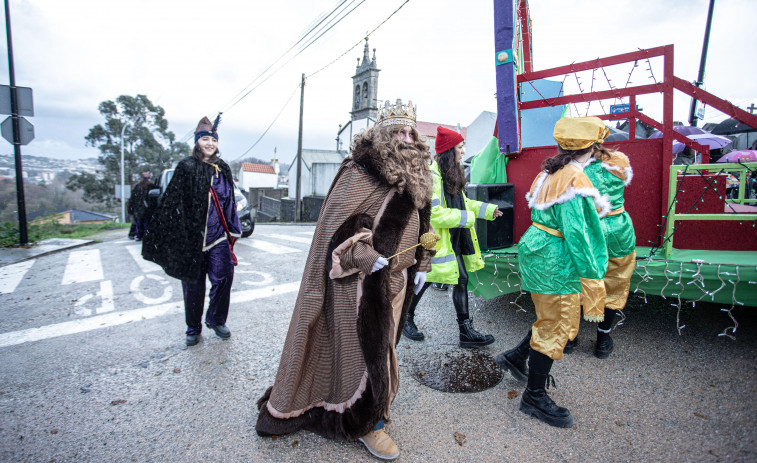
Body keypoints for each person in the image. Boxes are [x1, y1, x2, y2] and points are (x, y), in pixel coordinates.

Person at [255, 99, 434, 461]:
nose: (406, 137)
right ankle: (366, 423)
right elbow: (335, 234)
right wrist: (368, 256)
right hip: (357, 285)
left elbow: (422, 225)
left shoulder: (418, 174)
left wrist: (423, 262)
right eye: (397, 131)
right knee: (362, 355)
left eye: (410, 131)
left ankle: (374, 408)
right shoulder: (359, 172)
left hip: (398, 279)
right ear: (382, 134)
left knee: (384, 351)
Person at [494, 117, 609, 428]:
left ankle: (516, 357)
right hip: (556, 260)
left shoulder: (550, 171)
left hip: (538, 250)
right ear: (593, 149)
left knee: (549, 317)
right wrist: (593, 276)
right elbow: (578, 233)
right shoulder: (574, 178)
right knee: (558, 323)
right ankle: (533, 396)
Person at [142, 115, 241, 346]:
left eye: (213, 140)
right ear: (197, 142)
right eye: (205, 139)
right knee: (193, 285)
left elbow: (229, 201)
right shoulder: (186, 167)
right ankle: (193, 328)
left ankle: (216, 319)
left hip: (218, 237)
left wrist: (232, 231)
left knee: (224, 277)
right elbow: (172, 202)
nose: (209, 144)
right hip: (192, 238)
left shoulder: (222, 168)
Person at [402, 126, 502, 346]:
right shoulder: (433, 176)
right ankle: (406, 318)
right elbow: (434, 214)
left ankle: (465, 332)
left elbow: (463, 203)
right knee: (428, 279)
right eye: (460, 147)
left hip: (454, 238)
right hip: (437, 242)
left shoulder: (451, 173)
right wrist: (467, 218)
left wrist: (486, 210)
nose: (463, 151)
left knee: (459, 279)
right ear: (449, 151)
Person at [565, 143, 636, 358]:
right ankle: (603, 342)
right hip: (618, 231)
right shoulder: (618, 161)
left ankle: (570, 338)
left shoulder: (571, 167)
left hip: (586, 232)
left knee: (576, 281)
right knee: (615, 284)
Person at [127, 172, 156, 241]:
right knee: (146, 222)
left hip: (138, 209)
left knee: (139, 222)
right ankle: (145, 235)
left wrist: (131, 208)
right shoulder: (150, 186)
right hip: (147, 208)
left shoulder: (137, 186)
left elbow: (132, 198)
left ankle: (139, 235)